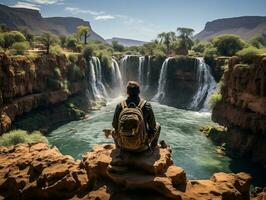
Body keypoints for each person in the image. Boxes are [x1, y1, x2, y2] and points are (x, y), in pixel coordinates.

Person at [112, 81, 161, 151]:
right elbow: (152, 127)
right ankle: (153, 148)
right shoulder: (146, 105)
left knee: (113, 130)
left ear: (127, 92)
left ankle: (118, 148)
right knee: (158, 125)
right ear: (139, 92)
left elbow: (114, 125)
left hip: (123, 145)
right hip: (142, 146)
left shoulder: (120, 105)